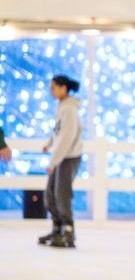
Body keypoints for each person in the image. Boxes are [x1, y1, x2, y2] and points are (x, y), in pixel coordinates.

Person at [38, 74, 84, 248]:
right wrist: (49, 143)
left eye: (53, 87)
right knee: (50, 194)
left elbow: (67, 137)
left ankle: (68, 232)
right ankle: (57, 228)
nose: (51, 91)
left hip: (68, 157)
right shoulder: (62, 106)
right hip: (60, 157)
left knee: (61, 194)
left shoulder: (70, 109)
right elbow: (58, 130)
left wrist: (53, 162)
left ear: (63, 88)